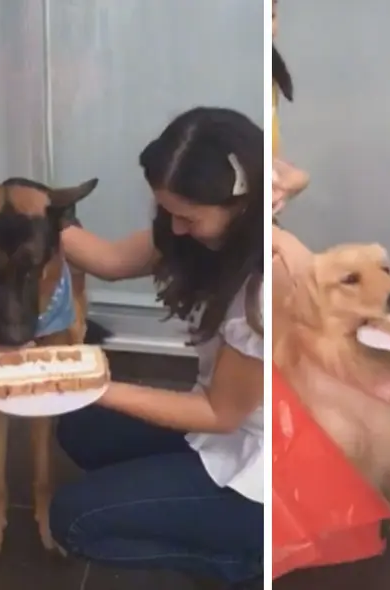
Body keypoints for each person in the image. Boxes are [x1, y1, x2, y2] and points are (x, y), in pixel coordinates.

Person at [49, 106, 263, 589]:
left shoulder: (265, 289)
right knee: (81, 429)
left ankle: (246, 561)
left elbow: (219, 414)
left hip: (260, 467)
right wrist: (30, 211)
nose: (174, 227)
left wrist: (94, 386)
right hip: (221, 430)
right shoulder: (193, 232)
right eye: (165, 211)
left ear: (242, 206)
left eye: (187, 216)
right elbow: (107, 260)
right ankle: (173, 495)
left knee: (73, 521)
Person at [270, 0, 313, 287]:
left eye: (271, 15)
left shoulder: (271, 77)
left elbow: (273, 165)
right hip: (238, 234)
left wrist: (296, 180)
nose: (268, 28)